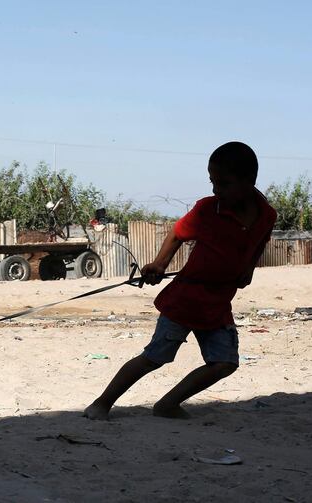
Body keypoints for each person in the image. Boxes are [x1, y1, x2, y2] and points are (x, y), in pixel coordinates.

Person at [84, 141, 277, 420]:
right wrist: (160, 264)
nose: (215, 190)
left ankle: (167, 404)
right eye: (212, 182)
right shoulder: (207, 210)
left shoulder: (266, 216)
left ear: (249, 182)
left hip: (218, 303)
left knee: (225, 363)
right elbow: (177, 234)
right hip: (185, 300)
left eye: (223, 183)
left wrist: (249, 268)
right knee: (154, 358)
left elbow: (259, 243)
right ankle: (102, 403)